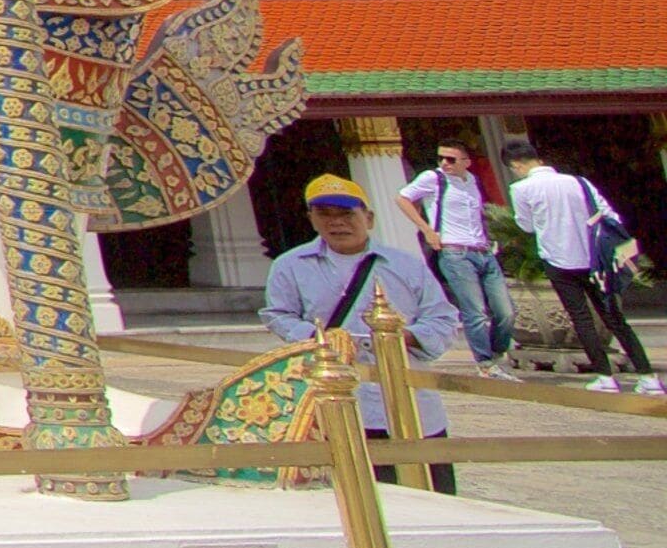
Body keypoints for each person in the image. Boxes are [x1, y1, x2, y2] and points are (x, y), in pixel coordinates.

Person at [263, 174, 466, 489]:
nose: (337, 223)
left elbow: (441, 317)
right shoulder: (291, 266)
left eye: (346, 214)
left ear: (368, 218)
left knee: (430, 493)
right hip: (337, 397)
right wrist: (320, 339)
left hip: (407, 394)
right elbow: (278, 315)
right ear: (312, 219)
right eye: (325, 215)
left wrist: (404, 337)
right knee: (355, 493)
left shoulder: (405, 265)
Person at [505, 139, 656, 391]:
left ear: (516, 165)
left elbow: (526, 226)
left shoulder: (521, 189)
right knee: (615, 318)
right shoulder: (579, 182)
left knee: (582, 319)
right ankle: (647, 376)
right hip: (594, 259)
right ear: (539, 160)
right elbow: (610, 215)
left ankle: (605, 377)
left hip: (559, 260)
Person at [399, 142, 512, 364]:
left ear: (466, 162)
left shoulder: (472, 180)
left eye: (451, 159)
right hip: (455, 251)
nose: (445, 163)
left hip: (482, 249)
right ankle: (485, 361)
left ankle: (497, 351)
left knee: (505, 311)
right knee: (476, 310)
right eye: (441, 158)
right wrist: (427, 229)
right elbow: (402, 198)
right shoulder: (433, 178)